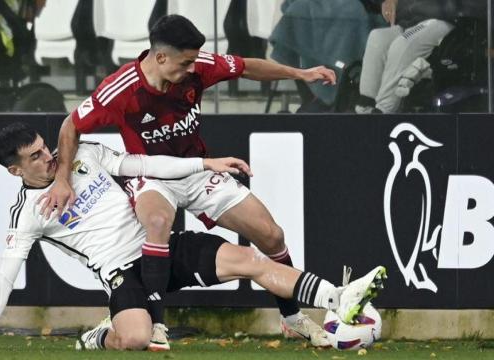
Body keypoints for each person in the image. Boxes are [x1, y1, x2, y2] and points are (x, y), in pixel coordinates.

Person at [39, 14, 337, 348]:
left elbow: (246, 66)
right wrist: (62, 179)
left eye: (195, 61)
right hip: (151, 175)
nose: (193, 69)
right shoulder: (121, 89)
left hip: (197, 170)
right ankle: (156, 325)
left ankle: (292, 318)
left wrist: (300, 73)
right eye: (186, 63)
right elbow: (71, 125)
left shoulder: (198, 65)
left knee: (271, 234)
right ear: (161, 57)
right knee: (156, 220)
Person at [0, 122, 387, 352]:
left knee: (253, 261)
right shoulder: (27, 213)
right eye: (35, 157)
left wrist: (205, 163)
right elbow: (5, 273)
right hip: (125, 273)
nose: (49, 158)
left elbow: (148, 165)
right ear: (15, 170)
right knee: (135, 340)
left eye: (45, 147)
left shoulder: (84, 155)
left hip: (162, 247)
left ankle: (338, 296)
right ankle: (98, 337)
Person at [355, 0, 486, 113]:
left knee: (403, 44)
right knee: (378, 38)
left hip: (447, 19)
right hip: (412, 19)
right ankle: (366, 106)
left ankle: (384, 110)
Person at [269, 0, 385, 112]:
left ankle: (336, 95)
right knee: (297, 11)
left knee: (352, 11)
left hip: (362, 7)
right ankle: (310, 96)